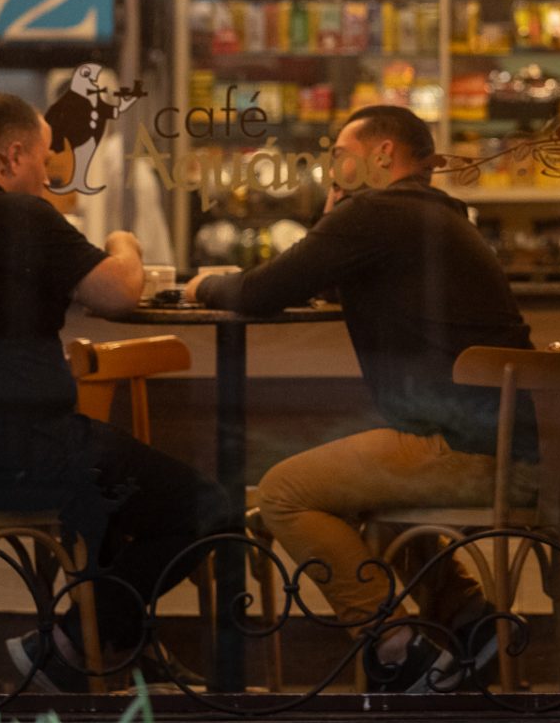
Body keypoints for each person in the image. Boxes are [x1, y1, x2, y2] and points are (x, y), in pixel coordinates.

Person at [0, 93, 238, 693]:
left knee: (124, 498)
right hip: (28, 456)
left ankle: (110, 647)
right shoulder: (16, 215)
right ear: (15, 153)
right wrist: (126, 242)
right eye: (47, 159)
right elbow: (118, 292)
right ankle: (73, 645)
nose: (50, 175)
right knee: (209, 508)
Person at [186, 104, 535, 691]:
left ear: (383, 155)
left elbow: (262, 290)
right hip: (501, 445)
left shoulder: (380, 213)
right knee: (351, 490)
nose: (331, 171)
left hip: (458, 450)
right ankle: (469, 619)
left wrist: (201, 285)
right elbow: (320, 276)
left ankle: (398, 648)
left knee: (283, 493)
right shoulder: (428, 215)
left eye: (340, 157)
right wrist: (334, 217)